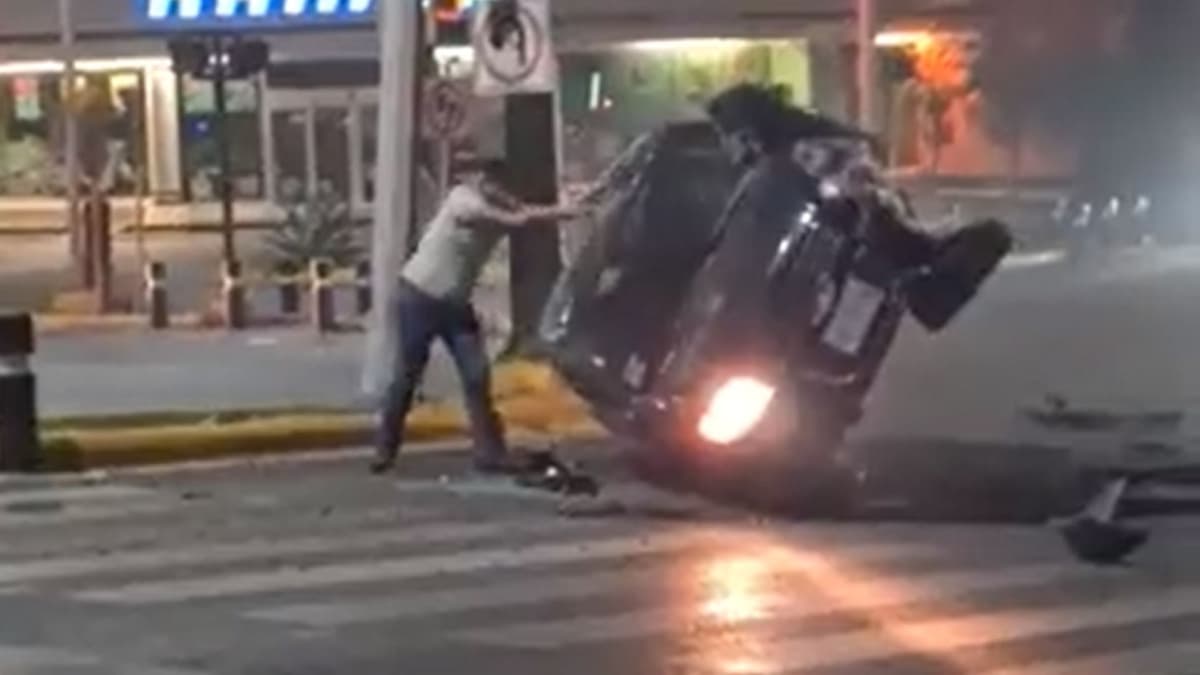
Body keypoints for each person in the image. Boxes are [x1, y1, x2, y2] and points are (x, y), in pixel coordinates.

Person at [370, 159, 586, 475]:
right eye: (495, 185)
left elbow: (527, 214)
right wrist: (516, 217)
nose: (500, 191)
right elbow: (492, 216)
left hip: (455, 306)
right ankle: (385, 449)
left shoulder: (503, 209)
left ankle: (490, 452)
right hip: (419, 297)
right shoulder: (462, 198)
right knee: (407, 375)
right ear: (484, 182)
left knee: (476, 375)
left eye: (505, 187)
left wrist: (563, 212)